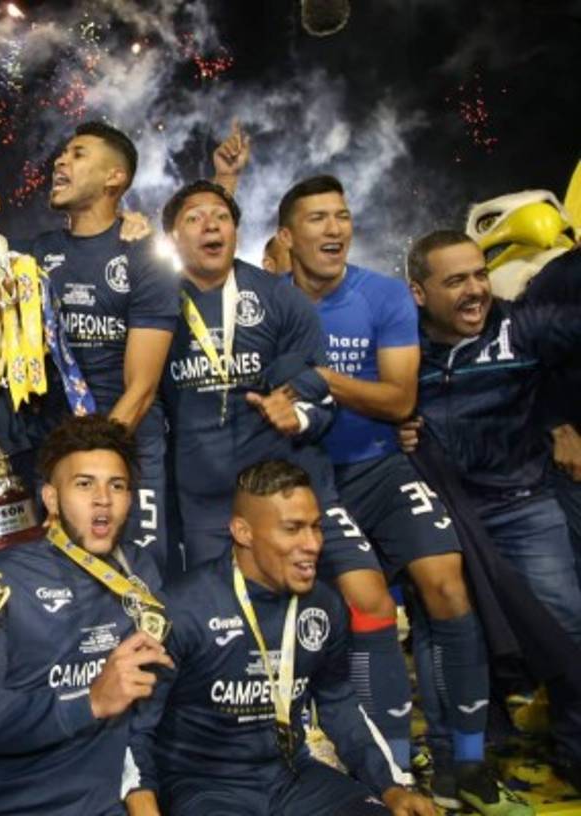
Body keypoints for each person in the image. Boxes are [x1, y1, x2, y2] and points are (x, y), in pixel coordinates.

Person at [278, 175, 521, 811]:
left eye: (342, 216)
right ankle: (391, 772)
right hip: (310, 482)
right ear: (286, 236)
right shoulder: (269, 302)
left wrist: (322, 379)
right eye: (317, 219)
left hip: (382, 469)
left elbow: (399, 399)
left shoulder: (382, 296)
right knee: (371, 609)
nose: (334, 229)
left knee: (447, 582)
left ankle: (465, 759)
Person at [160, 178, 415, 758]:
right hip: (203, 503)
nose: (211, 225)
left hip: (292, 490)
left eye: (221, 216)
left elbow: (321, 397)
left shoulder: (279, 301)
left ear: (237, 230)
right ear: (173, 235)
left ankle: (393, 762)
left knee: (370, 597)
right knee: (221, 628)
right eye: (195, 217)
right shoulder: (158, 302)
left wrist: (296, 416)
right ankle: (224, 755)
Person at [127, 460, 434, 816]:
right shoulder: (183, 610)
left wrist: (390, 786)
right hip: (204, 786)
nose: (313, 544)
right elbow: (136, 729)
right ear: (243, 532)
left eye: (317, 528)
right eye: (293, 529)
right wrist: (143, 799)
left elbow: (339, 704)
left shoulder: (324, 605)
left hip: (292, 777)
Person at [404, 229, 581, 788]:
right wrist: (395, 425)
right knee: (450, 633)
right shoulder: (399, 347)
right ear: (418, 293)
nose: (476, 290)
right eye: (456, 280)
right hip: (447, 515)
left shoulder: (523, 328)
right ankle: (459, 760)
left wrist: (558, 418)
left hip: (524, 505)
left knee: (567, 627)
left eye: (479, 274)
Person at [0, 415, 172, 815]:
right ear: (50, 499)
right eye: (84, 484)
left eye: (116, 486)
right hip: (6, 806)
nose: (103, 498)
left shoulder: (140, 575)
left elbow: (141, 720)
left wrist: (142, 798)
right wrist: (90, 701)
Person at [31, 122, 180, 576]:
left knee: (139, 577)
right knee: (63, 579)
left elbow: (142, 388)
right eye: (61, 153)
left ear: (115, 178)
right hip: (54, 444)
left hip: (132, 447)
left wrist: (89, 462)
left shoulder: (144, 255)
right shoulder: (31, 256)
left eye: (77, 154)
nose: (60, 160)